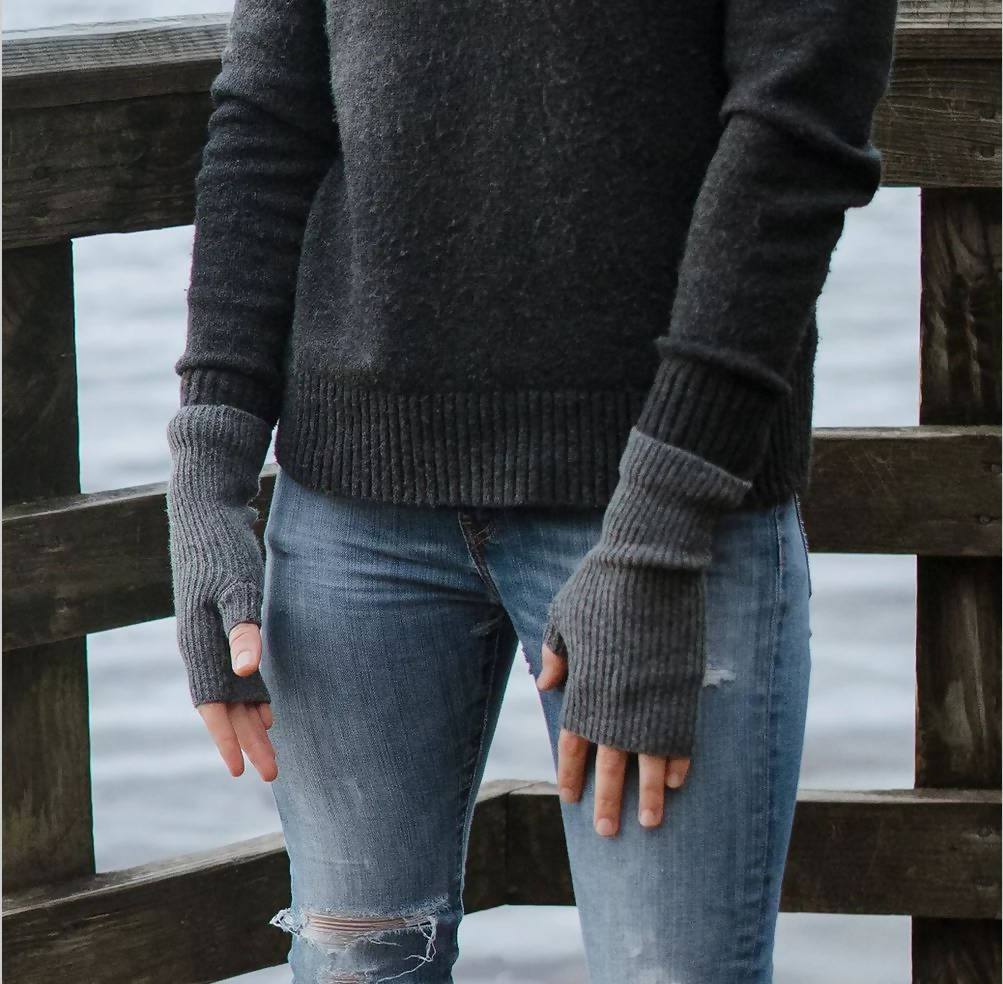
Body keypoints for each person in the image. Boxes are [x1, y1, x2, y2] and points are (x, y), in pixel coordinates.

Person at [165, 0, 897, 980]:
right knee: (351, 968)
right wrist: (208, 476)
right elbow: (268, 115)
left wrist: (657, 530)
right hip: (352, 513)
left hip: (662, 519)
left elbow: (796, 140)